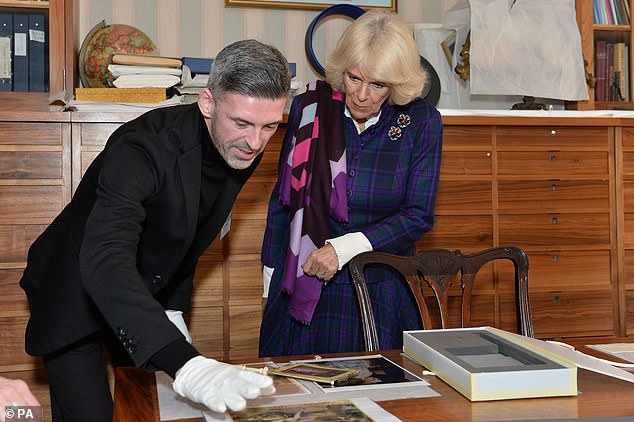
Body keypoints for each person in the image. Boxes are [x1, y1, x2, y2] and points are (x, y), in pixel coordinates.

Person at [19, 39, 291, 421]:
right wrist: (187, 364)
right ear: (208, 103)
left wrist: (174, 310)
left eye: (269, 127)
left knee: (153, 408)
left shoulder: (236, 144)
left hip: (140, 291)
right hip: (75, 285)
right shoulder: (141, 148)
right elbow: (107, 256)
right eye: (243, 123)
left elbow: (184, 234)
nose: (255, 142)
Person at [259, 9, 443, 357]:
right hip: (306, 279)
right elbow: (283, 201)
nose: (361, 94)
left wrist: (342, 249)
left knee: (380, 393)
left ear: (396, 84)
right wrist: (270, 282)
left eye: (378, 85)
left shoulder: (421, 122)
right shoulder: (309, 109)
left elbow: (418, 215)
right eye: (354, 78)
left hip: (381, 283)